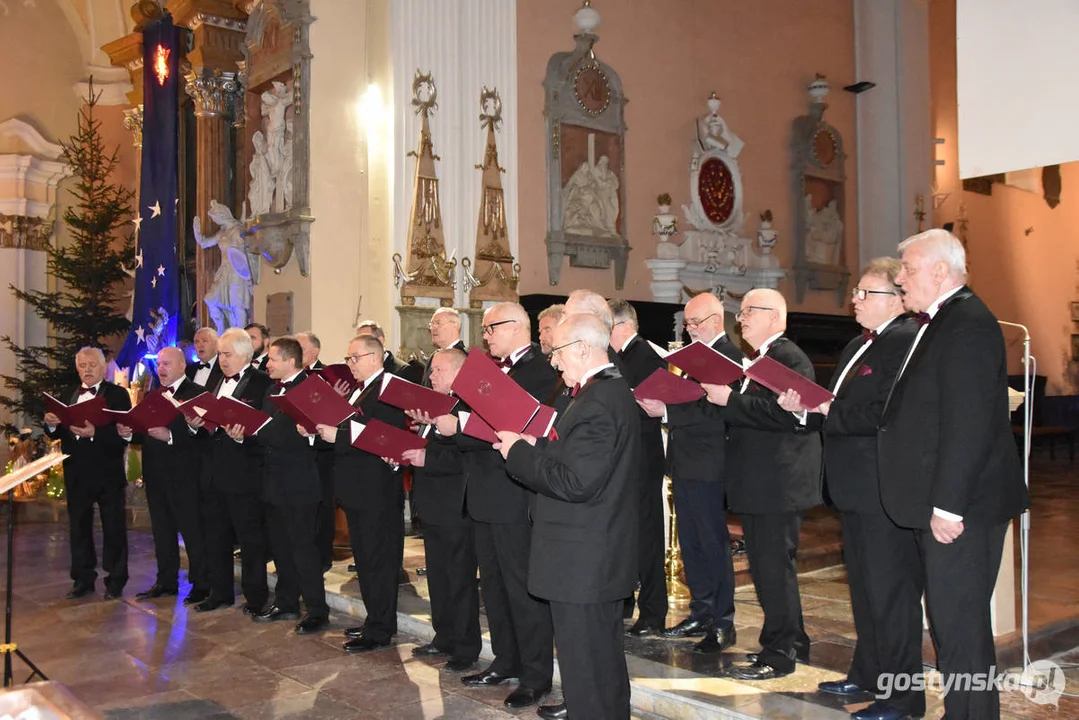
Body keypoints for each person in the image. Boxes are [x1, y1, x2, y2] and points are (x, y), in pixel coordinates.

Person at [879, 229, 1028, 720]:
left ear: (940, 271)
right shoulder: (946, 320)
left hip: (962, 509)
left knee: (960, 630)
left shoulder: (966, 323)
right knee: (951, 625)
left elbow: (968, 422)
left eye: (907, 269)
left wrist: (947, 506)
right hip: (946, 503)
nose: (900, 278)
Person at [778, 259, 923, 720]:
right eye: (856, 293)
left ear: (897, 299)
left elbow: (883, 413)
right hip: (856, 490)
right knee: (864, 590)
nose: (854, 300)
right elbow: (839, 404)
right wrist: (806, 406)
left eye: (866, 294)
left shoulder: (903, 342)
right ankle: (868, 671)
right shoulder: (860, 344)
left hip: (883, 490)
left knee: (892, 595)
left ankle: (903, 696)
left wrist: (823, 414)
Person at [495, 313, 640, 720]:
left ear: (581, 348)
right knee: (598, 666)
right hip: (589, 557)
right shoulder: (601, 393)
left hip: (584, 561)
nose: (553, 362)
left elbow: (577, 483)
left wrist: (518, 454)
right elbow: (579, 460)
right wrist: (535, 443)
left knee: (587, 671)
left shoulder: (598, 401)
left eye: (556, 351)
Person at [438, 302, 558, 709]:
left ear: (516, 327)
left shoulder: (541, 371)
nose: (485, 336)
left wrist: (464, 426)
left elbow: (519, 426)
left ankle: (536, 674)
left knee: (523, 589)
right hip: (483, 493)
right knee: (494, 586)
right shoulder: (489, 371)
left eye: (491, 328)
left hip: (513, 493)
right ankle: (506, 659)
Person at [702, 288, 821, 680]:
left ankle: (780, 652)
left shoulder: (787, 358)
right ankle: (789, 641)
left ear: (775, 316)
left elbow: (791, 417)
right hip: (762, 483)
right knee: (769, 568)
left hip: (777, 484)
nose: (742, 318)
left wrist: (729, 400)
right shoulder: (763, 360)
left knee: (773, 570)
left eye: (751, 310)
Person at [637, 292, 740, 652]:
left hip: (710, 461)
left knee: (712, 542)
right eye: (687, 324)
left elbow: (715, 411)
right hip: (685, 458)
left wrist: (665, 412)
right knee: (691, 542)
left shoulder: (729, 356)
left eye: (695, 323)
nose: (690, 330)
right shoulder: (693, 358)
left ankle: (722, 621)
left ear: (716, 320)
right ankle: (701, 610)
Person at [317, 335, 408, 653]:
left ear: (374, 356)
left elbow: (383, 435)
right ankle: (375, 620)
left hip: (376, 489)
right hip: (357, 488)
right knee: (367, 561)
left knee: (378, 562)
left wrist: (338, 436)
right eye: (348, 357)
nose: (349, 364)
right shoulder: (362, 388)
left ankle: (381, 628)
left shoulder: (388, 389)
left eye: (354, 357)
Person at [234, 337, 328, 634]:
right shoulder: (273, 389)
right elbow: (264, 428)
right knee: (281, 547)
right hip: (273, 479)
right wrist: (242, 434)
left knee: (303, 549)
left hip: (299, 480)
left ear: (290, 360)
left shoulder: (313, 389)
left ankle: (317, 609)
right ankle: (286, 601)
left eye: (272, 359)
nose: (267, 364)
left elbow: (316, 439)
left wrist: (308, 433)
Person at [401, 348, 482, 672]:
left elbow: (468, 460)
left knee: (460, 581)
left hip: (456, 508)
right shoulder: (437, 407)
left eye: (437, 370)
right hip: (433, 506)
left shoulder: (468, 410)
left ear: (457, 373)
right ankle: (444, 635)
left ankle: (465, 647)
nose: (430, 375)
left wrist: (428, 458)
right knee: (437, 577)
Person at [189, 327, 273, 614]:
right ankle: (220, 592)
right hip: (213, 472)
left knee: (251, 540)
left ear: (245, 354)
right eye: (221, 354)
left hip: (245, 473)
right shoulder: (214, 381)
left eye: (227, 354)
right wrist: (195, 424)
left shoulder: (262, 383)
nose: (222, 360)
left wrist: (243, 436)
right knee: (216, 537)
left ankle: (256, 596)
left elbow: (267, 430)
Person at [119, 346, 210, 605]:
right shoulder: (153, 394)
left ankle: (202, 583)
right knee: (162, 531)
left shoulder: (196, 394)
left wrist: (170, 436)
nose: (161, 368)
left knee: (192, 531)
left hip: (185, 475)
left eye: (167, 364)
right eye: (159, 364)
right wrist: (127, 432)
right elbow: (143, 430)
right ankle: (166, 580)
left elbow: (203, 438)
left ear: (182, 366)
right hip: (156, 474)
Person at [44, 347, 131, 600]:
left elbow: (123, 435)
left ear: (103, 367)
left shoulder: (118, 394)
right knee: (78, 527)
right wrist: (50, 423)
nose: (87, 369)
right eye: (82, 365)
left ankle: (115, 581)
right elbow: (56, 433)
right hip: (76, 472)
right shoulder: (67, 394)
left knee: (114, 528)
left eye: (92, 364)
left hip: (107, 472)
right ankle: (82, 578)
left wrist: (95, 433)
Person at [608, 298, 669, 638]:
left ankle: (653, 612)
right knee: (629, 536)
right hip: (628, 457)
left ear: (624, 327)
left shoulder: (645, 356)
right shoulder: (625, 356)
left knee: (647, 536)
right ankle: (627, 601)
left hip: (643, 457)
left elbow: (651, 406)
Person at [296, 330, 335, 572]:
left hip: (324, 450)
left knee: (323, 505)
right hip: (301, 450)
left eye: (301, 348)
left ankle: (323, 556)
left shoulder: (329, 375)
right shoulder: (291, 377)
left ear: (315, 351)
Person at [356, 319, 423, 383]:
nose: (361, 346)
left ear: (380, 340)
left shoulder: (402, 370)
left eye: (366, 340)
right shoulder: (360, 370)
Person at [422, 307, 466, 384]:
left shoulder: (465, 359)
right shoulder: (433, 356)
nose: (433, 328)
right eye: (432, 324)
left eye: (438, 323)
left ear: (454, 325)